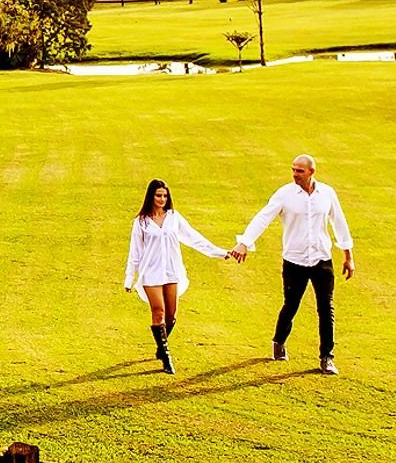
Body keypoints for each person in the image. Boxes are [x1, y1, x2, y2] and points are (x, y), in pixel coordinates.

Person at [230, 154, 355, 375]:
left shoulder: (327, 194)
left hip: (321, 259)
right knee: (291, 305)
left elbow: (339, 223)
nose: (295, 174)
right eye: (293, 170)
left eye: (300, 171)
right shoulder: (284, 195)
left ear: (312, 172)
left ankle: (327, 357)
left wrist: (348, 256)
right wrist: (244, 243)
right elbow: (263, 218)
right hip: (294, 260)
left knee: (326, 308)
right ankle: (279, 341)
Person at [123, 179, 233, 374]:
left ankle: (160, 346)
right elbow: (135, 252)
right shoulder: (141, 222)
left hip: (172, 271)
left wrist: (219, 252)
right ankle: (166, 358)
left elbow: (194, 238)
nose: (162, 199)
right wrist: (129, 278)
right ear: (151, 196)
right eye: (158, 195)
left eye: (165, 196)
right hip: (151, 273)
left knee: (171, 315)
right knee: (158, 312)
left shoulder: (174, 217)